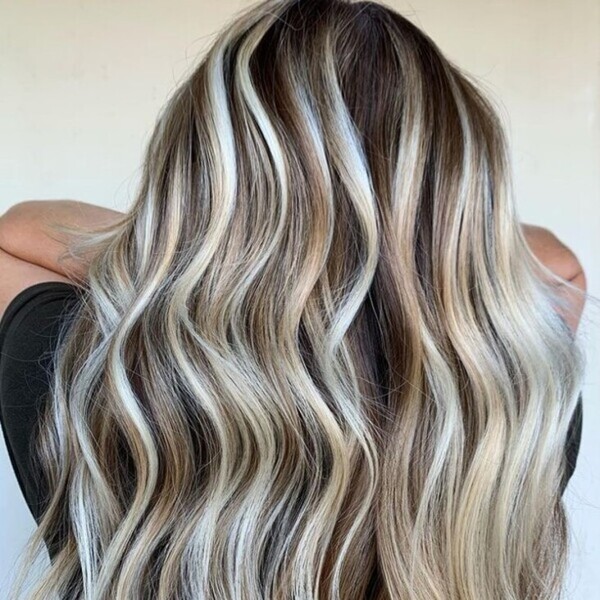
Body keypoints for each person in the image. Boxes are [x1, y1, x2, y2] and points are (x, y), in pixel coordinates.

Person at [0, 0, 589, 598]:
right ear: (463, 188)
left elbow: (16, 234)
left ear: (199, 175)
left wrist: (195, 251)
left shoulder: (89, 388)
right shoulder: (519, 412)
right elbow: (559, 264)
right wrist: (421, 249)